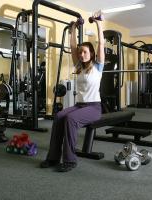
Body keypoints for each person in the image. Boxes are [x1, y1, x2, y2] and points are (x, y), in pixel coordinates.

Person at [40, 12, 105, 172]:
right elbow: (72, 46)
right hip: (80, 105)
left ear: (91, 54)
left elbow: (101, 44)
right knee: (59, 116)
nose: (81, 54)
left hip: (94, 108)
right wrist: (73, 27)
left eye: (85, 52)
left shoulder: (98, 67)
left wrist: (98, 23)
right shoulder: (79, 67)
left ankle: (70, 160)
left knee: (70, 119)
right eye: (80, 52)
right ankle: (53, 158)